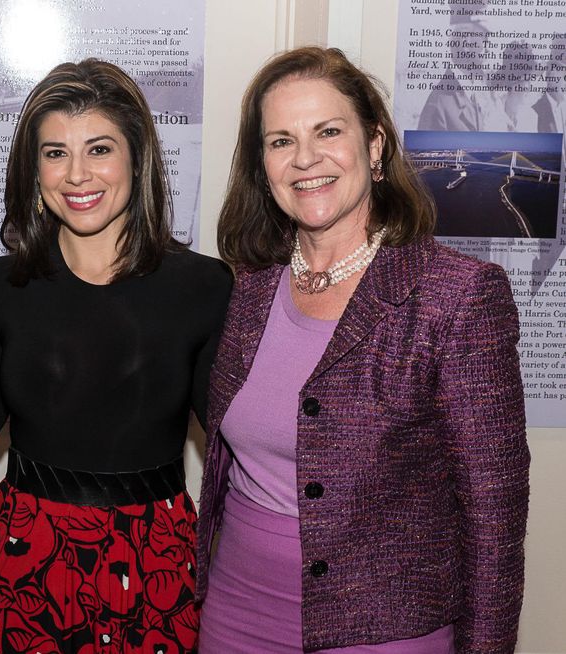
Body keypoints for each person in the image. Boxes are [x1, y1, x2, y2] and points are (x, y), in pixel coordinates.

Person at [198, 47, 529, 653]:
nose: (305, 159)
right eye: (280, 141)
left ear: (375, 145)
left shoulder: (456, 296)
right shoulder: (248, 287)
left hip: (385, 627)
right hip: (237, 608)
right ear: (261, 164)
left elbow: (495, 519)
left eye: (328, 131)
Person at [0, 59, 232, 654]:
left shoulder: (204, 287)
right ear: (32, 169)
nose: (77, 174)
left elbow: (238, 446)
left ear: (136, 159)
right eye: (55, 153)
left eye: (99, 149)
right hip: (25, 552)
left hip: (158, 557)